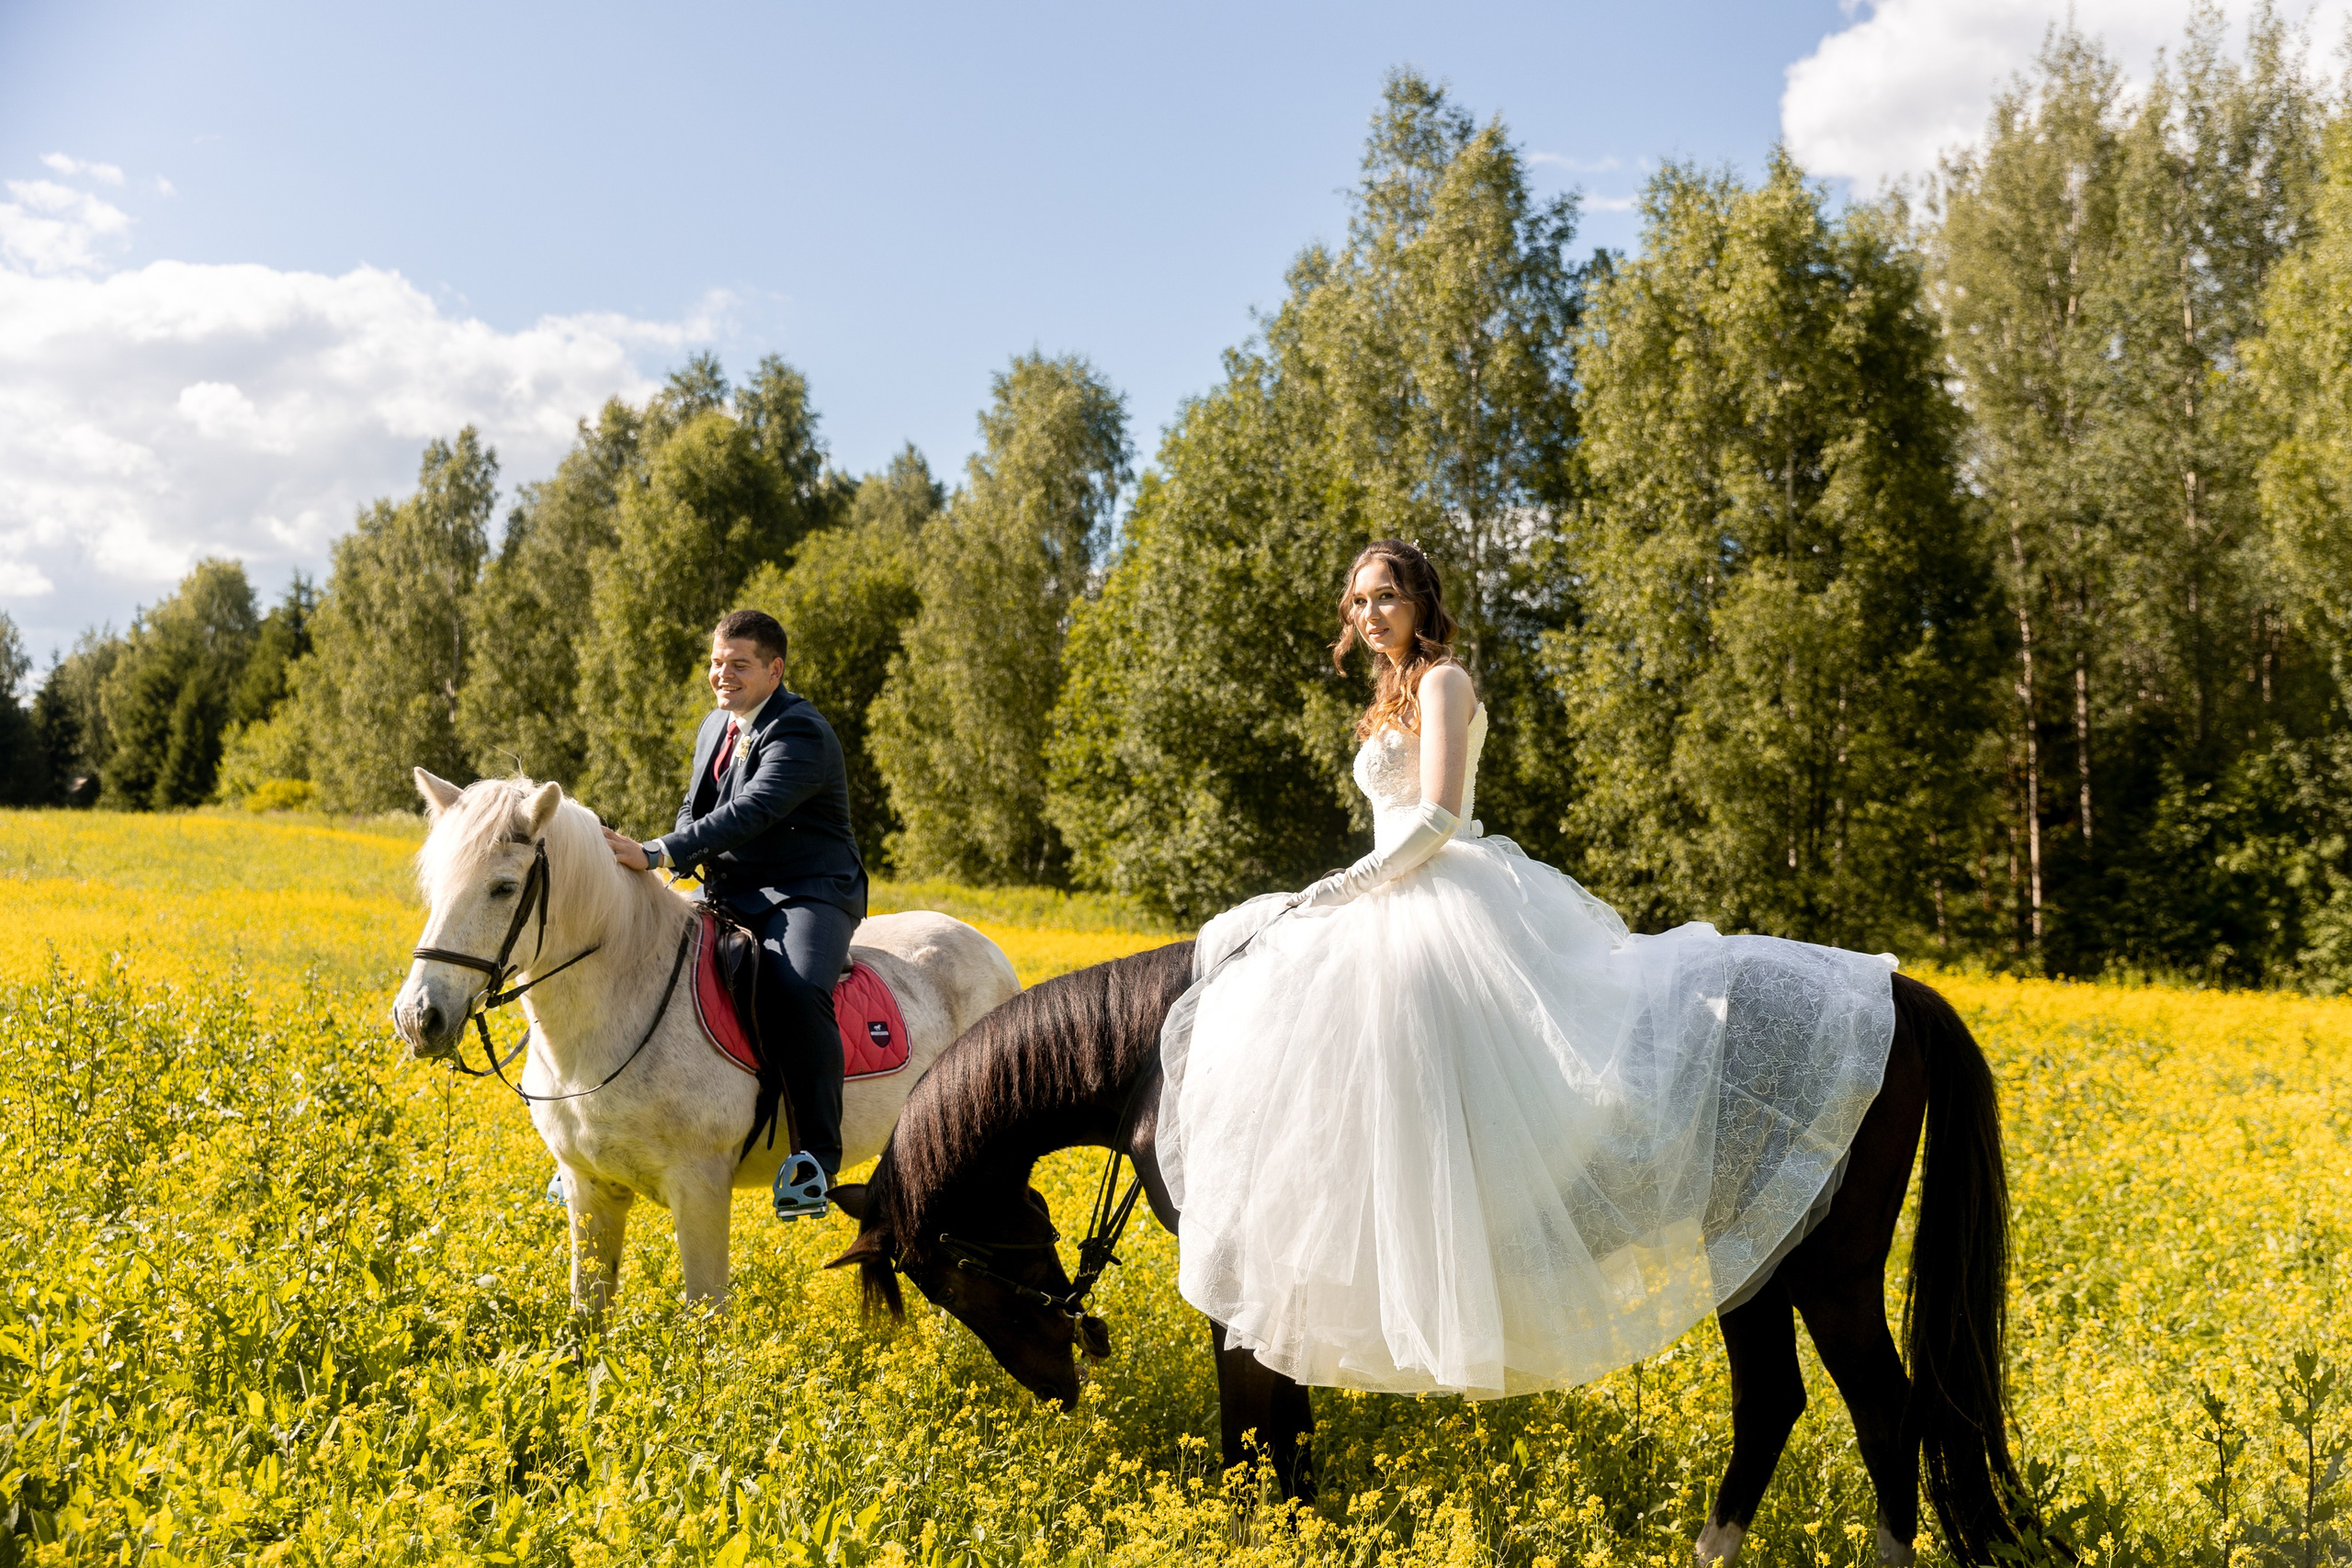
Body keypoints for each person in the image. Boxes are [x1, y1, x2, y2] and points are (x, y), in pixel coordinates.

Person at [1158, 540, 1897, 1398]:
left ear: (1422, 602)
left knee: (1438, 1037)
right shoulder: (1386, 693)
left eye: (1386, 597)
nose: (1370, 616)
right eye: (1358, 602)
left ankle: (1494, 1228)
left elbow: (1436, 812)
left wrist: (1350, 883)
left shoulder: (1443, 681)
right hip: (1396, 891)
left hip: (1439, 888)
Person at [602, 608, 867, 1219]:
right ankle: (601, 1147)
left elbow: (753, 809)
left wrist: (659, 852)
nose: (723, 675)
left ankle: (816, 1159)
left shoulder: (801, 732)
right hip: (729, 890)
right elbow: (694, 810)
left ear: (775, 669)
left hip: (805, 892)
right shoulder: (713, 726)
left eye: (739, 664)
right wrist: (670, 855)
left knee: (797, 990)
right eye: (717, 662)